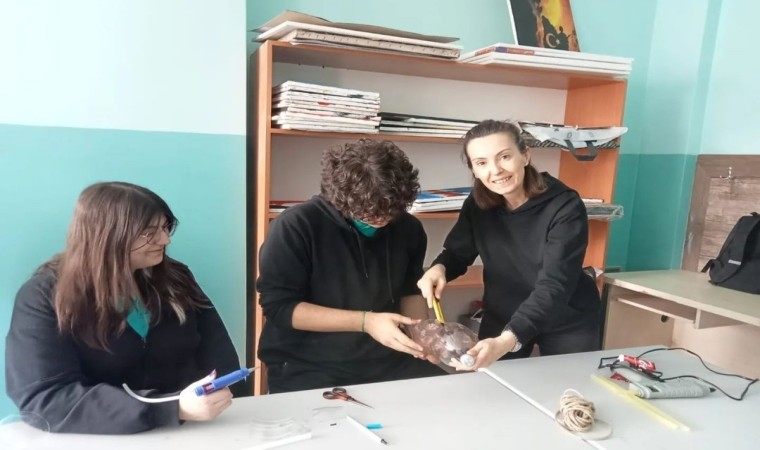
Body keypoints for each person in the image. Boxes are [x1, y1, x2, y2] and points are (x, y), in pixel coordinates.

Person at [5, 182, 243, 434]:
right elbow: (46, 398)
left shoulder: (176, 278)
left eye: (165, 227)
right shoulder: (44, 296)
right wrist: (170, 410)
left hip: (191, 430)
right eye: (149, 232)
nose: (165, 239)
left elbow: (219, 356)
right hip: (94, 438)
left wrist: (227, 400)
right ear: (107, 235)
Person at [257, 139, 445, 393]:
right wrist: (366, 322)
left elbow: (409, 291)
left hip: (387, 358)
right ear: (340, 198)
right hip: (309, 363)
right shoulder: (296, 226)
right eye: (370, 210)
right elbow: (279, 308)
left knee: (449, 399)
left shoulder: (408, 228)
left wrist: (421, 337)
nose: (382, 218)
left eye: (391, 210)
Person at [417, 120, 601, 371]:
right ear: (474, 170)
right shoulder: (477, 203)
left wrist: (508, 340)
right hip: (504, 311)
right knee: (491, 384)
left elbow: (555, 284)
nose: (495, 170)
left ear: (525, 155)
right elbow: (458, 253)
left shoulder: (564, 205)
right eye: (481, 163)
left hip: (565, 314)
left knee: (568, 386)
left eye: (504, 157)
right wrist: (440, 268)